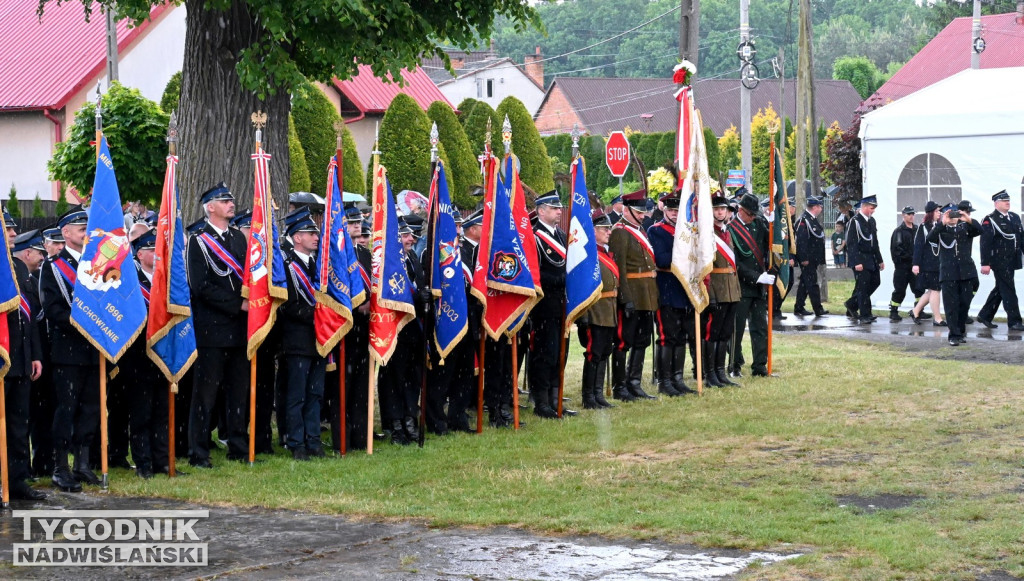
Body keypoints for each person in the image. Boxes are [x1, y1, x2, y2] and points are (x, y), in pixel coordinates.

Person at [186, 183, 249, 468]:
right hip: (212, 328)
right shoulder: (198, 242)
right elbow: (200, 287)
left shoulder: (239, 238)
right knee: (206, 394)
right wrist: (236, 304)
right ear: (210, 207)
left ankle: (238, 445)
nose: (230, 204)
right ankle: (198, 451)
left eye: (231, 199)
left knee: (238, 391)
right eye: (224, 201)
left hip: (240, 329)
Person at [39, 207, 99, 491]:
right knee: (67, 408)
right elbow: (52, 309)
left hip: (95, 348)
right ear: (66, 234)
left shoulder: (96, 263)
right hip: (68, 350)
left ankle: (83, 463)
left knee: (91, 407)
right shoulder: (53, 266)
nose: (86, 232)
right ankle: (60, 467)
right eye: (80, 228)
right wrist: (83, 323)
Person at [280, 208, 327, 460]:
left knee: (315, 394)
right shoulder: (287, 265)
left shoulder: (320, 264)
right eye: (310, 233)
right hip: (297, 339)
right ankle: (296, 443)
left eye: (315, 233)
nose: (315, 237)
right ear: (296, 237)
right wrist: (317, 315)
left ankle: (314, 441)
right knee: (297, 395)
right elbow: (286, 304)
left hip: (320, 338)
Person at [122, 227, 170, 478]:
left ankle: (162, 460)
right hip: (138, 356)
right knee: (141, 412)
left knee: (162, 411)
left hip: (163, 354)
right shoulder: (130, 280)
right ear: (140, 254)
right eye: (152, 249)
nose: (157, 253)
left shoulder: (166, 279)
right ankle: (143, 462)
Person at [3, 214, 45, 500]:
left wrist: (35, 356)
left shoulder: (18, 265)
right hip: (1, 357)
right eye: (7, 228)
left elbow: (29, 318)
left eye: (13, 228)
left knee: (19, 422)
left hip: (21, 357)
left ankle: (18, 480)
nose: (13, 233)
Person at [609, 189, 658, 401]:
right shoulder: (620, 232)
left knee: (643, 339)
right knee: (623, 341)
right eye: (638, 211)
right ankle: (620, 387)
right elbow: (618, 268)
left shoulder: (640, 230)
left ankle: (634, 382)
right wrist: (625, 298)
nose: (642, 215)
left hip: (646, 293)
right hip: (632, 294)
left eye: (643, 211)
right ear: (626, 209)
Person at [529, 191, 573, 417]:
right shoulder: (534, 237)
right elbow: (534, 273)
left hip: (562, 304)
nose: (559, 211)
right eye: (554, 208)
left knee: (561, 354)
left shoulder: (562, 236)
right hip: (544, 305)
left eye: (559, 208)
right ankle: (542, 401)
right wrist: (558, 280)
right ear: (541, 211)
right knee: (546, 352)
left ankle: (557, 400)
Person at [647, 190, 694, 396]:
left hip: (685, 290)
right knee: (667, 336)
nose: (675, 214)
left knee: (682, 336)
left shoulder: (687, 231)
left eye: (678, 210)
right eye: (671, 210)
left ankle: (678, 378)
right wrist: (682, 249)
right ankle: (664, 381)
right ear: (664, 210)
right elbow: (661, 260)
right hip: (667, 289)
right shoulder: (656, 231)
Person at [728, 193, 774, 377]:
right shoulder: (730, 230)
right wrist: (756, 277)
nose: (753, 217)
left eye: (755, 214)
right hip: (740, 286)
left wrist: (774, 223)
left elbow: (772, 243)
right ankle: (734, 365)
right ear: (740, 210)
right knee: (736, 330)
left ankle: (760, 366)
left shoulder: (759, 225)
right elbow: (735, 263)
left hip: (758, 288)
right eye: (750, 214)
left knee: (760, 328)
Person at [577, 210, 618, 409]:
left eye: (609, 228)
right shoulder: (587, 253)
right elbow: (582, 286)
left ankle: (598, 393)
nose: (608, 232)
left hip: (608, 310)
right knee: (593, 353)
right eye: (604, 229)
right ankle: (588, 397)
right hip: (595, 311)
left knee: (604, 352)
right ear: (593, 231)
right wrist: (583, 315)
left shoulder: (605, 252)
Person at [928, 207, 980, 346]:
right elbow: (930, 238)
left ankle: (960, 331)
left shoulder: (965, 228)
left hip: (966, 272)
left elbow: (980, 230)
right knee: (951, 306)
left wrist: (968, 219)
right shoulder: (940, 230)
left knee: (964, 304)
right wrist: (942, 223)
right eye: (950, 214)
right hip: (949, 273)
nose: (953, 217)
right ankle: (954, 335)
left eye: (955, 214)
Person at [706, 194, 741, 387]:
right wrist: (710, 294)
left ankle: (720, 372)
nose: (720, 212)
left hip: (730, 289)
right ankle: (710, 373)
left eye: (723, 209)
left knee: (725, 333)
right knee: (713, 333)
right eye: (716, 209)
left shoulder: (726, 231)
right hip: (716, 289)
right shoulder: (707, 233)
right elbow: (705, 267)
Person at [977, 190, 1024, 331]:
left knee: (1001, 288)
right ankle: (1014, 321)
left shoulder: (1015, 217)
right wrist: (985, 263)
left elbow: (1021, 238)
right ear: (996, 203)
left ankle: (985, 315)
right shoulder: (990, 219)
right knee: (1009, 289)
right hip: (999, 261)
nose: (1007, 203)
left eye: (1008, 200)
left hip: (1012, 259)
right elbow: (985, 243)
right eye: (1004, 201)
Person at [844, 195, 885, 324]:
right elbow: (851, 244)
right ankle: (865, 314)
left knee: (875, 282)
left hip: (871, 258)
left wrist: (879, 259)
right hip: (860, 258)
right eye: (871, 208)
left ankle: (851, 304)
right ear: (865, 206)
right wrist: (856, 262)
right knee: (863, 287)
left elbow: (875, 242)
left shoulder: (871, 221)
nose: (873, 211)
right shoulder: (854, 222)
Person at [793, 197, 829, 317]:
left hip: (813, 259)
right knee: (812, 284)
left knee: (804, 283)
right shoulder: (804, 220)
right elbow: (801, 242)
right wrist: (803, 258)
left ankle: (799, 307)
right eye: (819, 206)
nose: (821, 209)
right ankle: (818, 308)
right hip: (807, 259)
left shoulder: (812, 220)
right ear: (814, 207)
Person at [910, 201, 943, 325]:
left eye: (939, 211)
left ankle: (915, 311)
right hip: (928, 264)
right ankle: (937, 318)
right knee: (935, 289)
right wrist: (916, 264)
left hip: (938, 262)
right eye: (936, 211)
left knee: (931, 291)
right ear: (930, 213)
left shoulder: (939, 225)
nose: (939, 213)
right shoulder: (923, 227)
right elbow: (918, 246)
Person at [888, 206, 920, 322]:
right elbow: (897, 251)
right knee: (900, 290)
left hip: (914, 267)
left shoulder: (917, 229)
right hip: (902, 267)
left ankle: (918, 310)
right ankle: (893, 311)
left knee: (918, 289)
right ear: (903, 215)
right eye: (908, 214)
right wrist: (910, 259)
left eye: (912, 214)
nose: (911, 216)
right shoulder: (899, 232)